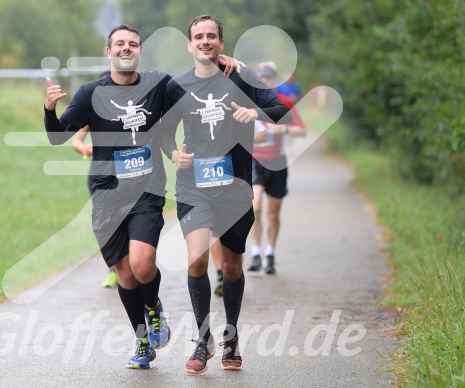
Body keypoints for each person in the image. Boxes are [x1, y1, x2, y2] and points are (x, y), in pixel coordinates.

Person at [44, 24, 241, 370]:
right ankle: (142, 340)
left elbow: (196, 82)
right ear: (109, 52)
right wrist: (48, 109)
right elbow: (58, 137)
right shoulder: (90, 93)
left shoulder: (159, 85)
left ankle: (153, 307)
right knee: (124, 275)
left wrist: (218, 59)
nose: (126, 48)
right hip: (106, 196)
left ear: (139, 51)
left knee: (142, 264)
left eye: (132, 44)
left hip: (147, 193)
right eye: (119, 43)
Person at [161, 15, 292, 374]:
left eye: (211, 36)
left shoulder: (242, 77)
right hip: (193, 187)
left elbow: (284, 110)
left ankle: (231, 337)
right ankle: (203, 339)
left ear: (221, 42)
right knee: (197, 260)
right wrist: (173, 154)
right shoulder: (177, 86)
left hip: (235, 187)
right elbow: (160, 131)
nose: (204, 41)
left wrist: (257, 111)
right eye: (198, 37)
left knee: (232, 265)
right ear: (189, 45)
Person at [247, 62, 306, 275]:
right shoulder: (249, 102)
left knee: (273, 213)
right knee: (255, 208)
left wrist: (283, 128)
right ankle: (255, 253)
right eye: (261, 78)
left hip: (278, 162)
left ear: (275, 80)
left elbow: (302, 131)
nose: (265, 82)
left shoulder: (285, 102)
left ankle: (269, 253)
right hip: (255, 160)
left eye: (269, 78)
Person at [71, 125, 118, 288]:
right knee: (106, 223)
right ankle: (113, 270)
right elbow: (76, 140)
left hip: (130, 170)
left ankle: (135, 264)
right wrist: (84, 148)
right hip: (100, 174)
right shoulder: (95, 104)